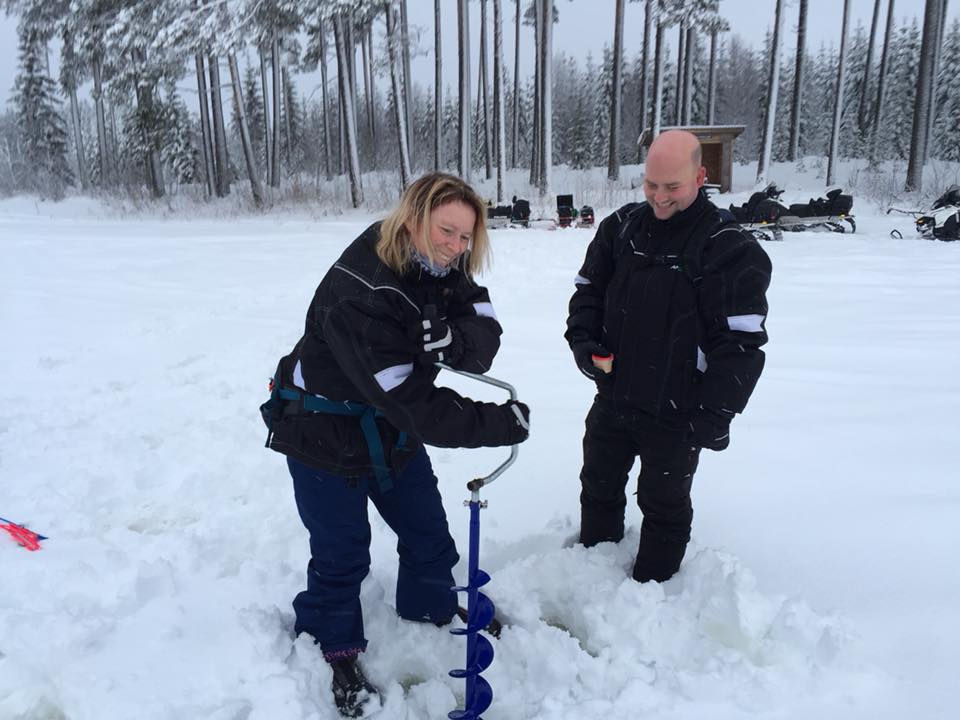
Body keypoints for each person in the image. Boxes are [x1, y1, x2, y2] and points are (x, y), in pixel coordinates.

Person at [261, 172, 530, 717]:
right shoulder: (363, 289)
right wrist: (498, 425)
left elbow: (483, 321)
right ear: (412, 220)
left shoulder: (440, 265)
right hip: (322, 429)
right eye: (446, 231)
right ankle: (331, 646)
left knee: (428, 532)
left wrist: (457, 339)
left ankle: (430, 605)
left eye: (465, 237)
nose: (456, 247)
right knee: (342, 554)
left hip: (387, 424)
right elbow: (418, 408)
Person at [564, 130, 771, 584]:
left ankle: (653, 595)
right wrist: (584, 343)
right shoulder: (621, 228)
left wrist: (715, 414)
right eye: (651, 185)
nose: (659, 197)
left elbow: (740, 343)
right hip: (615, 396)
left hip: (678, 410)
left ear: (700, 176)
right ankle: (591, 578)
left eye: (672, 187)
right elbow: (588, 292)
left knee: (662, 502)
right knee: (597, 486)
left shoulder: (728, 246)